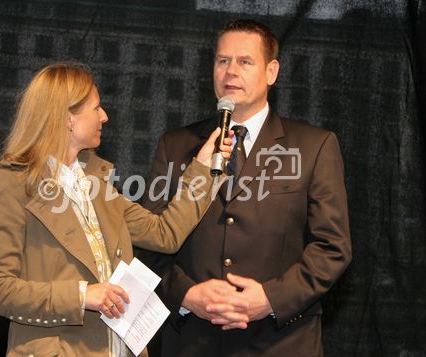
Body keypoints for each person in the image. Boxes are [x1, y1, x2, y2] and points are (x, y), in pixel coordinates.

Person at [0, 62, 232, 357]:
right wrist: (82, 295)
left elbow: (166, 234)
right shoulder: (12, 182)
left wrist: (203, 168)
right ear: (68, 117)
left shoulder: (96, 184)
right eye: (96, 108)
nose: (105, 116)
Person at [138, 19, 352, 356]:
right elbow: (146, 244)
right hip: (193, 341)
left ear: (271, 72)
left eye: (245, 62)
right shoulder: (176, 145)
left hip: (281, 342)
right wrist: (187, 296)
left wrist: (269, 299)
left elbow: (332, 248)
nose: (230, 72)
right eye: (222, 61)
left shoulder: (314, 146)